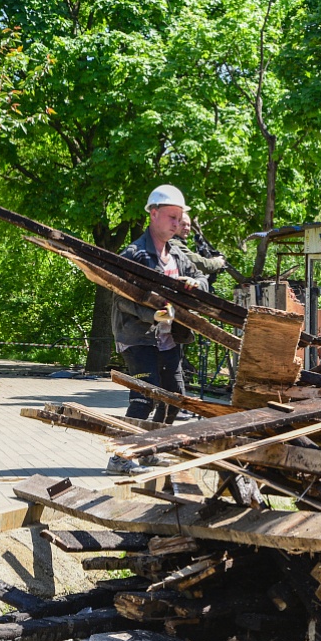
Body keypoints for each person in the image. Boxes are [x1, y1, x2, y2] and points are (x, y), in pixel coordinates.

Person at [108, 185, 209, 474]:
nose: (177, 223)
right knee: (145, 395)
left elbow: (202, 277)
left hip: (169, 339)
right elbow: (120, 298)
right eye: (171, 217)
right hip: (138, 339)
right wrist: (151, 315)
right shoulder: (135, 253)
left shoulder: (177, 252)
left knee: (174, 396)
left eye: (180, 218)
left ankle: (151, 449)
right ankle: (120, 457)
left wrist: (196, 285)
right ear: (153, 214)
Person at [171, 211, 228, 280]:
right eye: (183, 224)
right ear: (175, 224)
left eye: (189, 225)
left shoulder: (178, 242)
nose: (186, 228)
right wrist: (218, 262)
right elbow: (199, 264)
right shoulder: (172, 242)